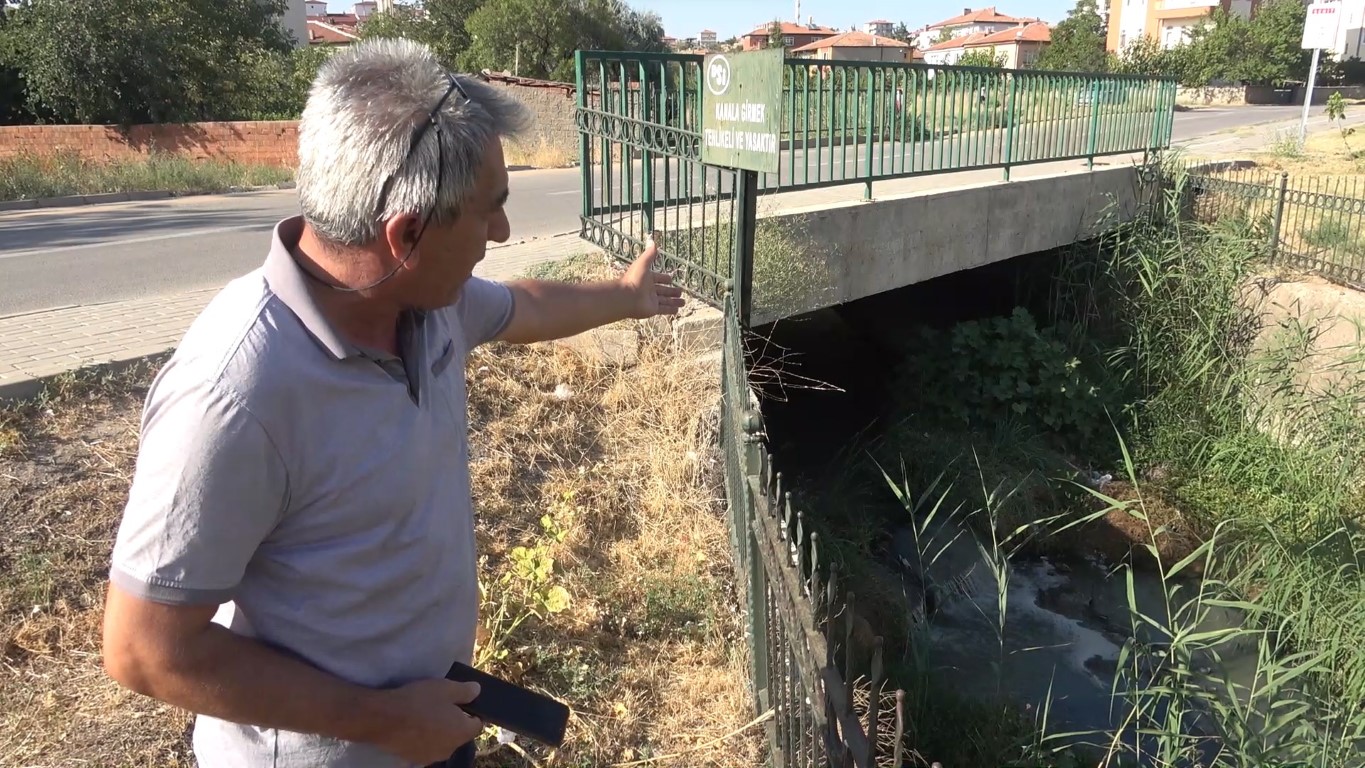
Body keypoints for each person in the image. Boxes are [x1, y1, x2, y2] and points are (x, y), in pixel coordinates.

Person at [99, 38, 684, 768]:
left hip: (427, 723)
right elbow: (145, 651)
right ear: (405, 234)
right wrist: (379, 721)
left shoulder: (426, 304)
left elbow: (522, 308)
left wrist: (626, 298)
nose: (501, 232)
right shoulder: (235, 396)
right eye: (489, 211)